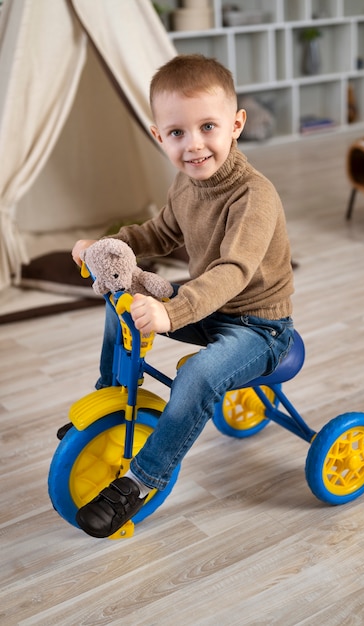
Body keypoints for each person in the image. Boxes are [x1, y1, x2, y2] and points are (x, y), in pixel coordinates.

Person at [71, 54, 294, 538]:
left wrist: (173, 312)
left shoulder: (254, 196)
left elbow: (233, 270)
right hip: (206, 308)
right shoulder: (187, 184)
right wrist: (106, 249)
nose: (194, 146)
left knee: (196, 375)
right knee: (123, 303)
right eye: (177, 133)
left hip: (259, 327)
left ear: (236, 126)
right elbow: (157, 235)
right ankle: (110, 403)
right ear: (159, 136)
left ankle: (140, 481)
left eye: (208, 127)